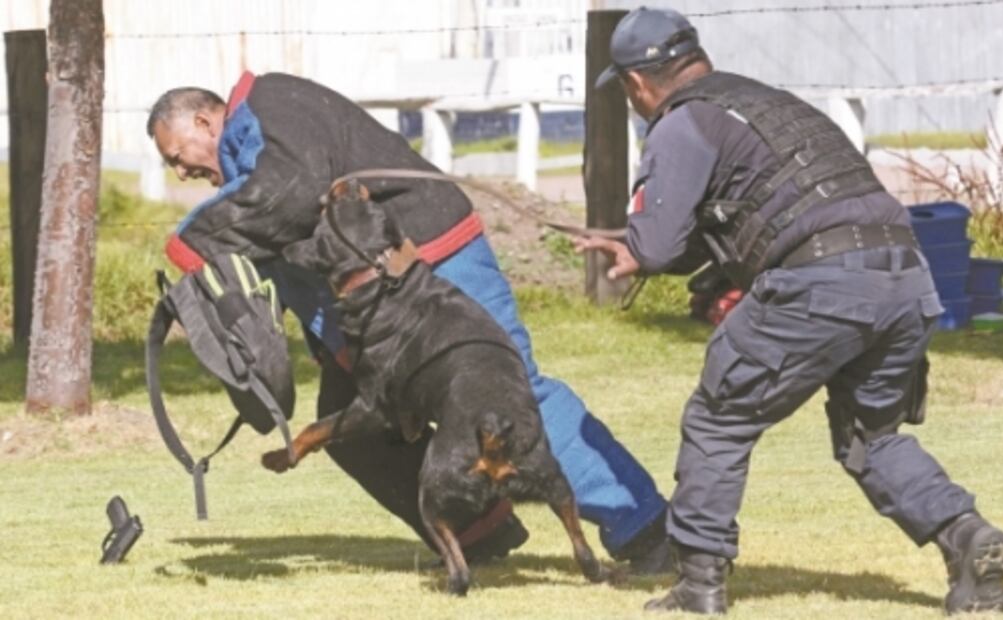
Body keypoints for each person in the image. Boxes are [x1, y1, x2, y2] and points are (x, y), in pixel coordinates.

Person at [146, 71, 674, 572]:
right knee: (349, 426)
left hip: (435, 260)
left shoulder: (271, 102)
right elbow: (285, 233)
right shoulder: (248, 156)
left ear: (203, 122)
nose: (182, 173)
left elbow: (290, 195)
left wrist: (191, 242)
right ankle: (479, 530)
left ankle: (649, 527)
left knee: (514, 397)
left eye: (178, 156)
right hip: (380, 300)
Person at [577, 6, 1003, 615]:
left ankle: (699, 586)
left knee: (719, 418)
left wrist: (633, 247)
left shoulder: (679, 123)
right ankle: (974, 543)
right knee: (872, 438)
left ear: (636, 83)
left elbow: (660, 243)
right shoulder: (768, 103)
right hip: (905, 275)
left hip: (817, 281)